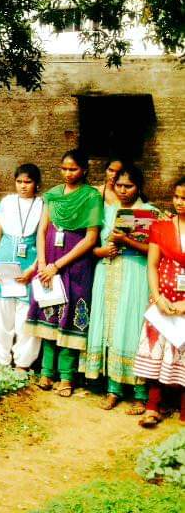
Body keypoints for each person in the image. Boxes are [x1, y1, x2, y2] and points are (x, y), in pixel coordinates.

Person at [26, 149, 103, 397]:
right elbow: (42, 230)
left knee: (71, 316)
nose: (68, 173)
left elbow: (90, 238)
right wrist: (42, 263)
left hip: (76, 265)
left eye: (73, 169)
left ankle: (67, 377)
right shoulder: (53, 195)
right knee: (49, 311)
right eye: (64, 169)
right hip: (48, 262)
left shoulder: (91, 196)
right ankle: (46, 372)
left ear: (84, 170)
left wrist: (57, 265)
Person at [82, 164, 155, 411]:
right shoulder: (105, 211)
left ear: (139, 187)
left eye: (129, 186)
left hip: (136, 273)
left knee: (133, 327)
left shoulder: (151, 213)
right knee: (110, 327)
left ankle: (140, 393)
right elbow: (91, 245)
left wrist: (127, 241)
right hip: (107, 270)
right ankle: (113, 389)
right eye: (119, 185)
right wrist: (101, 251)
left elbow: (155, 251)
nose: (123, 190)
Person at [133, 176, 185, 428]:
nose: (179, 202)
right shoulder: (161, 227)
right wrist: (157, 296)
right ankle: (153, 406)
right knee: (158, 350)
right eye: (176, 197)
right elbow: (152, 265)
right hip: (163, 300)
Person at [0, 164, 43, 370]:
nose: (23, 186)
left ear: (37, 184)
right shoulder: (6, 203)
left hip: (29, 268)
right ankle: (0, 362)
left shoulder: (43, 206)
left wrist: (33, 268)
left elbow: (44, 240)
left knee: (26, 318)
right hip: (3, 265)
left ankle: (22, 364)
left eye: (28, 182)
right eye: (19, 181)